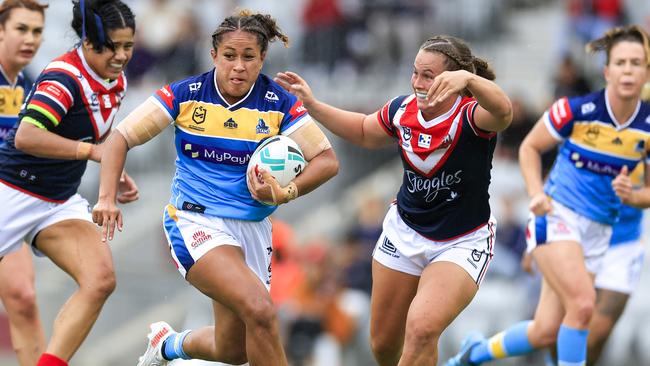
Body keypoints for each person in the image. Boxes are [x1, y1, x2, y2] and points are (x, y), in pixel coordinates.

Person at [92, 9, 338, 366]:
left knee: (234, 350)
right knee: (262, 310)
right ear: (214, 56)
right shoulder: (185, 95)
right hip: (196, 221)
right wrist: (106, 197)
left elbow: (328, 160)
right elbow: (119, 138)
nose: (238, 65)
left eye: (249, 57)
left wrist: (287, 192)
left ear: (262, 58)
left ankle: (169, 345)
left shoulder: (279, 104)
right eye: (229, 56)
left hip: (253, 229)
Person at [274, 35, 513, 365]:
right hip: (404, 233)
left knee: (422, 328)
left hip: (459, 241)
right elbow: (361, 130)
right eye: (415, 72)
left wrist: (470, 80)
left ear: (453, 78)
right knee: (385, 345)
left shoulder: (471, 116)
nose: (417, 82)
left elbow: (504, 111)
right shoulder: (402, 111)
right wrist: (312, 105)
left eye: (428, 75)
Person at [445, 24, 650, 366]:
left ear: (646, 72)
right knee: (583, 306)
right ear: (606, 70)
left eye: (636, 63)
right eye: (620, 63)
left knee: (545, 331)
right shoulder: (575, 110)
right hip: (557, 216)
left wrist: (633, 196)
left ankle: (474, 352)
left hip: (600, 232)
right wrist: (536, 194)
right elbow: (529, 148)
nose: (628, 70)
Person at [0, 1, 138, 365]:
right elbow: (26, 137)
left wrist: (115, 171)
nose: (121, 55)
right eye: (113, 46)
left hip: (57, 200)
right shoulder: (63, 77)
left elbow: (94, 139)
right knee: (21, 296)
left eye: (128, 46)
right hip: (11, 191)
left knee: (101, 279)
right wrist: (94, 154)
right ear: (89, 40)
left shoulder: (116, 79)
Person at [0, 1, 46, 365]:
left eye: (37, 30)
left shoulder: (33, 87)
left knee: (23, 297)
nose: (30, 38)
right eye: (21, 29)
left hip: (7, 205)